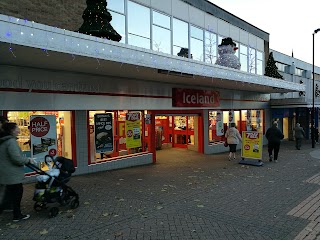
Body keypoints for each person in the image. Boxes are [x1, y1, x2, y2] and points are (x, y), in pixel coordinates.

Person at [0, 122, 35, 221]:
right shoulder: (11, 142)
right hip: (12, 174)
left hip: (7, 173)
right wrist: (28, 160)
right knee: (17, 194)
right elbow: (16, 158)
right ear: (11, 130)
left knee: (8, 194)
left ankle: (13, 212)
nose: (19, 130)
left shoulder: (4, 141)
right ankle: (17, 215)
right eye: (17, 128)